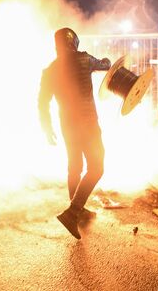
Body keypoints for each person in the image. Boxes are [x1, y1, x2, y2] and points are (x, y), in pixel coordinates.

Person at [38, 27, 111, 239]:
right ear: (74, 43)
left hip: (67, 125)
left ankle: (77, 210)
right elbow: (106, 64)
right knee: (97, 167)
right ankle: (73, 213)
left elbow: (42, 103)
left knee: (75, 167)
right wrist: (107, 61)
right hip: (88, 123)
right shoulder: (85, 59)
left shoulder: (50, 70)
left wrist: (47, 128)